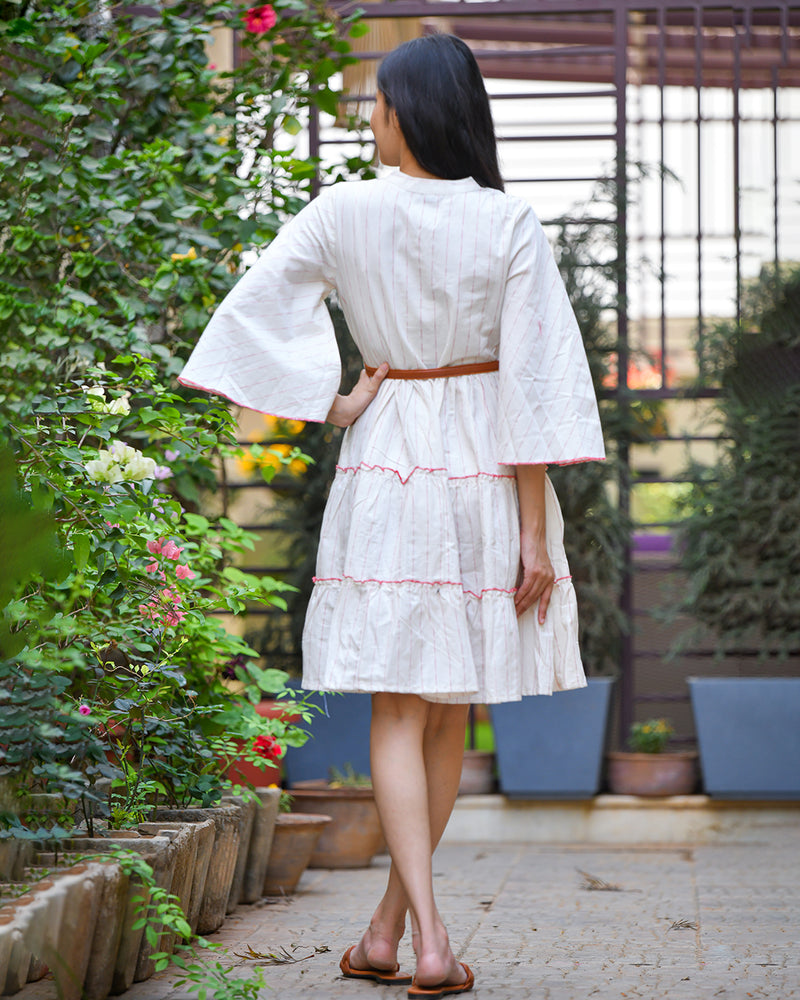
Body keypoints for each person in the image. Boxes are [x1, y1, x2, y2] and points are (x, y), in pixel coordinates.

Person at [179, 32, 604, 998]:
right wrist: (536, 533)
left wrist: (332, 403)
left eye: (377, 103)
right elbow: (533, 388)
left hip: (389, 457)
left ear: (408, 112)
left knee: (402, 704)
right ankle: (425, 938)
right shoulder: (509, 222)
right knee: (448, 707)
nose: (370, 118)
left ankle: (403, 935)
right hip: (487, 467)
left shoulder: (342, 212)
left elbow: (249, 316)